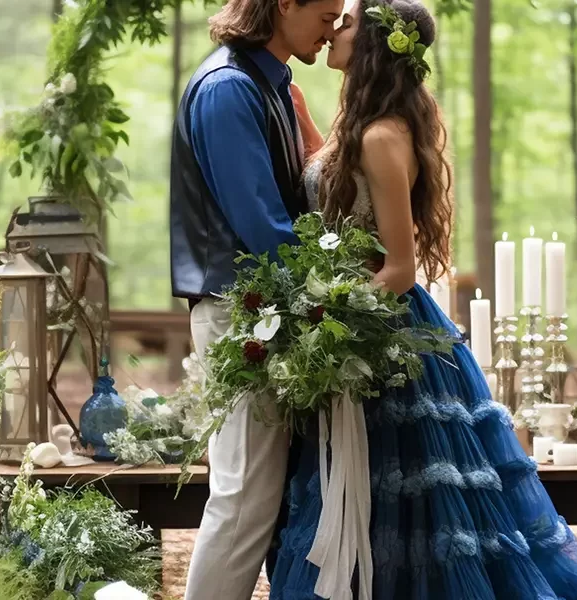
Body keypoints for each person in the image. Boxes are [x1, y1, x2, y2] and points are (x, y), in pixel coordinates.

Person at [271, 0, 577, 598]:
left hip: (384, 332)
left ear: (374, 45)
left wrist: (330, 325)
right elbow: (343, 202)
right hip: (357, 316)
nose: (333, 30)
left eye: (345, 23)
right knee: (370, 498)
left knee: (410, 503)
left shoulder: (381, 136)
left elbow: (401, 268)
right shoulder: (362, 126)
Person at [167, 0, 343, 598]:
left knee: (261, 497)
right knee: (243, 496)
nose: (332, 28)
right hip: (239, 312)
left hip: (271, 307)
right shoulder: (227, 89)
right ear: (283, 5)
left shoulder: (273, 84)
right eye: (324, 14)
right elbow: (263, 228)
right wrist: (339, 283)